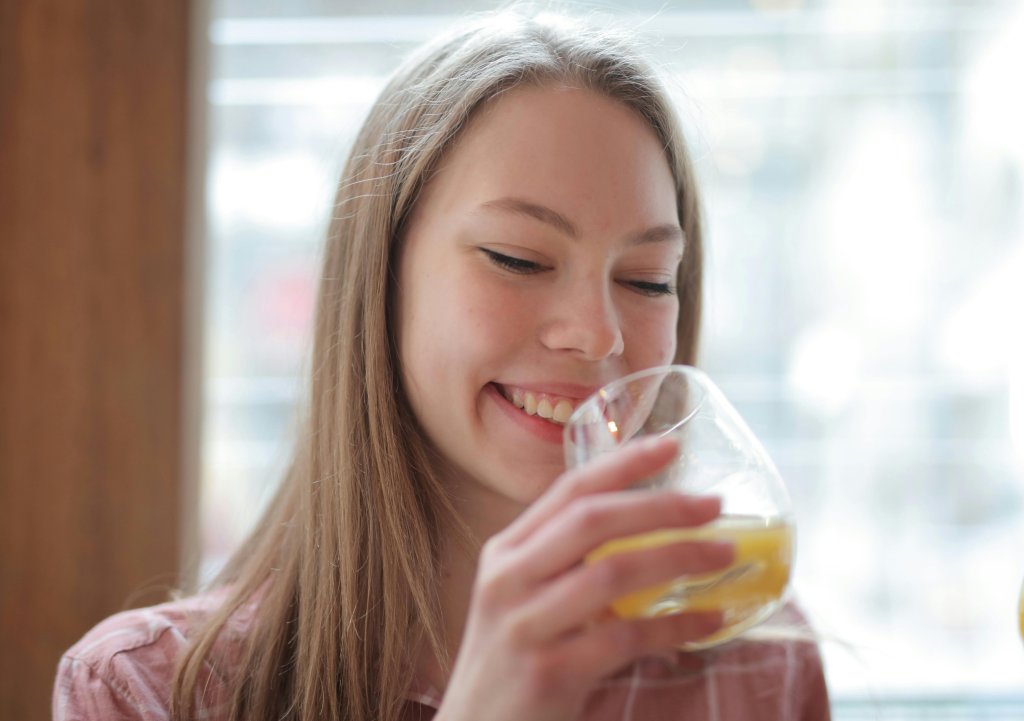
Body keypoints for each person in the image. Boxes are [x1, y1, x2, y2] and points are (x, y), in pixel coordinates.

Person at [53, 8, 830, 721]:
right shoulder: (143, 693)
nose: (598, 333)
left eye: (647, 279)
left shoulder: (757, 668)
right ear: (379, 278)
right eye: (517, 258)